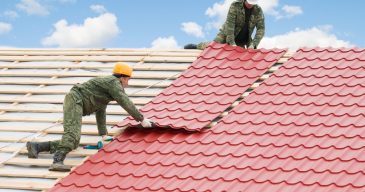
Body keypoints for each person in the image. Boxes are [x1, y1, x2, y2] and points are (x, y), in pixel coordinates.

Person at [26, 62, 154, 172]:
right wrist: (141, 119)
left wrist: (103, 133)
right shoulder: (113, 83)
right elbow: (125, 101)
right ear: (122, 78)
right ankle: (57, 161)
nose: (128, 82)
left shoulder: (108, 89)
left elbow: (101, 109)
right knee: (72, 136)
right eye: (128, 79)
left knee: (74, 143)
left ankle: (37, 147)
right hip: (75, 100)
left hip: (76, 102)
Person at [184, 0, 265, 50]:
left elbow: (261, 29)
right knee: (213, 48)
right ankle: (197, 46)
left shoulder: (258, 11)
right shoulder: (235, 6)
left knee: (238, 56)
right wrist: (231, 43)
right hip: (226, 34)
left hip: (243, 39)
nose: (250, 4)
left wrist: (253, 44)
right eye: (249, 2)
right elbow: (230, 25)